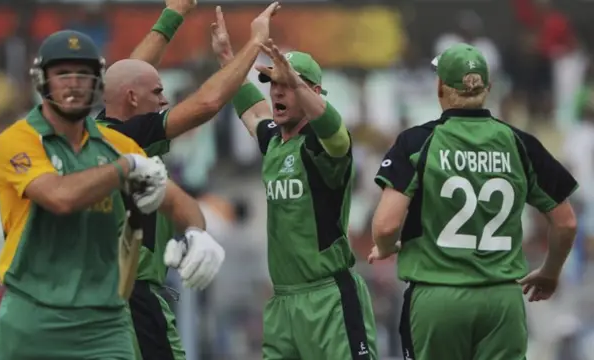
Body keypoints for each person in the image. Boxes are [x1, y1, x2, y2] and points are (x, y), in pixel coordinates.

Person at [0, 29, 224, 360]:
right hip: (33, 315)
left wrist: (197, 232)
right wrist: (123, 169)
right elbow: (60, 198)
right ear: (42, 81)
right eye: (62, 74)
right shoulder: (18, 141)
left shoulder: (118, 147)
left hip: (104, 324)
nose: (73, 84)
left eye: (83, 75)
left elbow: (177, 201)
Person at [369, 43, 579, 360]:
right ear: (488, 88)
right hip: (502, 301)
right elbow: (566, 223)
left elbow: (386, 226)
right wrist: (550, 272)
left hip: (437, 298)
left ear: (440, 86)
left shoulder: (416, 142)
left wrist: (385, 248)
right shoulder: (521, 144)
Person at [94, 3, 279, 359]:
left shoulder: (103, 131)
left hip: (103, 291)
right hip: (135, 292)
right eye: (157, 93)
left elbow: (131, 74)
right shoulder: (134, 137)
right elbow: (208, 103)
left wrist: (173, 13)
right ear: (132, 99)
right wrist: (253, 43)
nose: (164, 100)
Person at [211, 8, 378, 359]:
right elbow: (251, 111)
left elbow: (339, 139)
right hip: (283, 301)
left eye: (287, 85)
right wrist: (228, 57)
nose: (277, 93)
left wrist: (297, 83)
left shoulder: (323, 146)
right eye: (273, 84)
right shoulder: (274, 140)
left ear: (313, 91)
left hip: (328, 298)